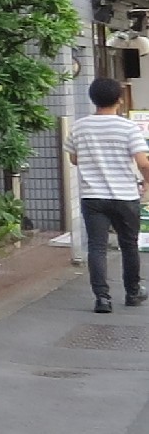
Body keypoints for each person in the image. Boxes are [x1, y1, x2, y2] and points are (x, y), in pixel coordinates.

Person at [66, 76, 149, 312]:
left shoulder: (79, 126)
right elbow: (143, 162)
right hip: (125, 196)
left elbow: (74, 159)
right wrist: (147, 183)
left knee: (97, 247)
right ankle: (133, 292)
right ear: (119, 100)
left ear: (93, 99)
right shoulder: (128, 128)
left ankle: (102, 298)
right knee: (129, 245)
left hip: (93, 197)